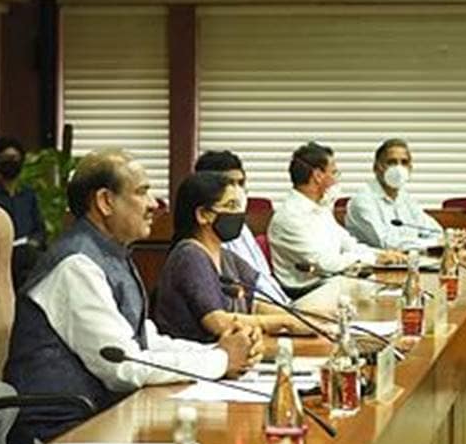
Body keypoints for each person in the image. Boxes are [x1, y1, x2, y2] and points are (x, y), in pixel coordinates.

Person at [0, 149, 261, 444]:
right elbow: (124, 366)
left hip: (102, 419)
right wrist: (221, 360)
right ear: (105, 201)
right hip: (60, 435)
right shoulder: (76, 265)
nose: (154, 205)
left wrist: (219, 349)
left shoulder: (110, 252)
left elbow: (144, 339)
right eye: (142, 192)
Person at [154, 172, 316, 343]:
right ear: (203, 214)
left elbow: (254, 304)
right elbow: (218, 322)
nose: (238, 214)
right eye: (231, 205)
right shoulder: (189, 255)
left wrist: (301, 320)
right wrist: (284, 322)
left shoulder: (226, 257)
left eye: (238, 206)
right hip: (195, 359)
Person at [268, 141, 406, 292]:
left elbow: (348, 244)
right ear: (318, 176)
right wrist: (374, 259)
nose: (336, 179)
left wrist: (383, 255)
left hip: (334, 282)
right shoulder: (289, 217)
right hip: (309, 291)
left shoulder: (321, 208)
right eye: (334, 173)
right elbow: (325, 263)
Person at [194, 150, 291, 304]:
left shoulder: (242, 228)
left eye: (241, 183)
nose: (237, 191)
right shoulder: (203, 241)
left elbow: (263, 277)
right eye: (230, 183)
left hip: (280, 305)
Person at [345, 139, 444, 250]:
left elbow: (434, 231)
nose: (398, 168)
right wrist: (432, 243)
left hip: (408, 261)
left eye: (404, 162)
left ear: (410, 168)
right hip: (373, 265)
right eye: (391, 162)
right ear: (376, 168)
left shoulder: (406, 198)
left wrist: (449, 238)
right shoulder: (362, 200)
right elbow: (386, 243)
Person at [0, 137, 45, 246]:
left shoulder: (28, 194)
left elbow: (40, 229)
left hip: (28, 252)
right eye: (5, 159)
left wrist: (34, 241)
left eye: (14, 158)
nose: (11, 163)